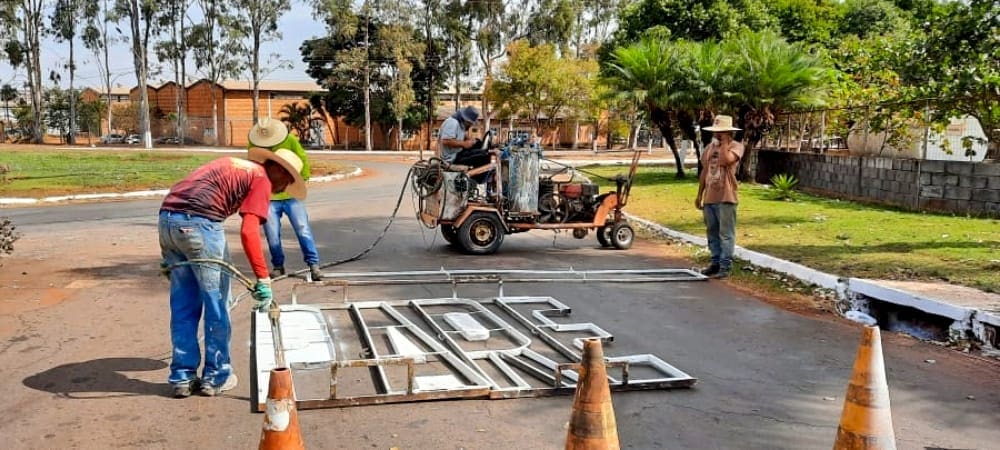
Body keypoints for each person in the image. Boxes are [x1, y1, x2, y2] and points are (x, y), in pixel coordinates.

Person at [159, 148, 306, 398]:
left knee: (183, 305)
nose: (283, 188)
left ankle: (182, 377)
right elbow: (249, 232)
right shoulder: (262, 178)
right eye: (287, 180)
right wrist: (263, 278)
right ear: (278, 170)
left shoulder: (236, 165)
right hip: (200, 225)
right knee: (217, 304)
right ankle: (216, 377)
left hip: (167, 221)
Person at [248, 118, 323, 281]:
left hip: (291, 195)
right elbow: (253, 166)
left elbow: (301, 157)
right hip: (269, 196)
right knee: (272, 233)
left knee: (302, 228)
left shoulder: (289, 140)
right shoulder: (255, 145)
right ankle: (278, 266)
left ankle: (313, 264)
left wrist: (300, 179)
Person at [694, 115, 745, 279]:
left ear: (727, 132)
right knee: (712, 232)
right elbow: (704, 170)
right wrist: (699, 193)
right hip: (710, 196)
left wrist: (724, 143)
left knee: (726, 233)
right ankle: (715, 262)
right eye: (716, 132)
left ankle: (725, 265)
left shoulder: (736, 146)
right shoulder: (710, 147)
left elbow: (725, 160)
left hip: (726, 196)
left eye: (720, 132)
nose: (716, 134)